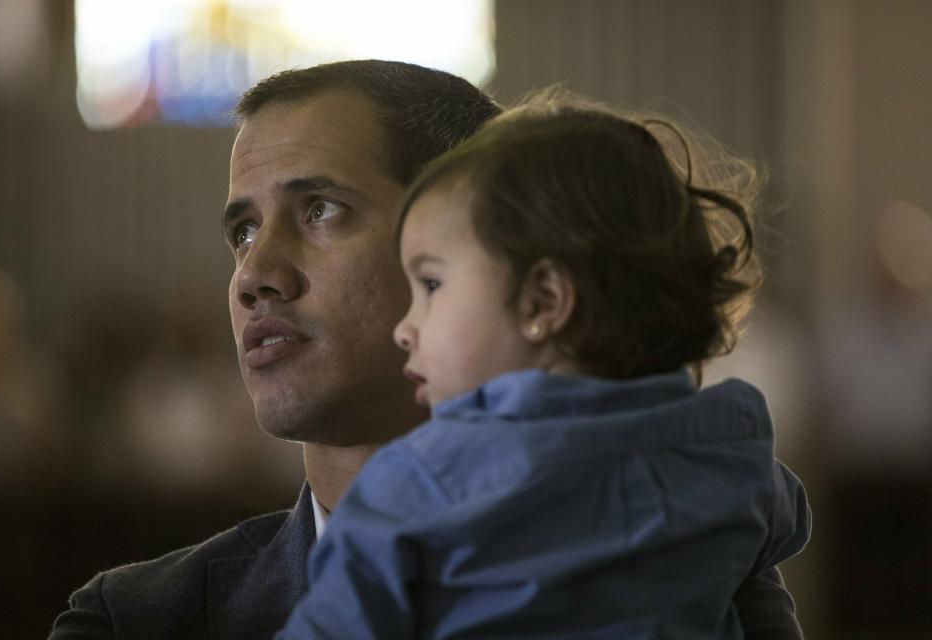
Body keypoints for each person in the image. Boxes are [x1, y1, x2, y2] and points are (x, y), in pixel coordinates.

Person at [49, 61, 806, 640]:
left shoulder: (704, 570)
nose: (254, 275)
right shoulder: (136, 618)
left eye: (321, 210)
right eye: (242, 231)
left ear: (498, 250)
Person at [276, 95, 811, 639]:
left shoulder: (419, 484)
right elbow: (783, 520)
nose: (405, 327)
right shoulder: (730, 453)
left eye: (431, 285)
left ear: (542, 304)